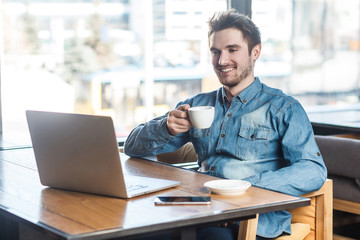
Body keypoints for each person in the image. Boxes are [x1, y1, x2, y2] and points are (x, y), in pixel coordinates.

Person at [124, 9, 327, 239]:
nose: (221, 61)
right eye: (215, 52)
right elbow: (132, 147)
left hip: (250, 219)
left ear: (255, 52)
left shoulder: (284, 108)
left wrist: (244, 186)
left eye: (232, 50)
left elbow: (313, 170)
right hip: (198, 209)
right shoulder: (196, 105)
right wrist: (166, 128)